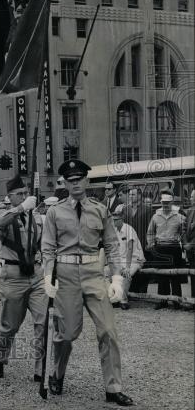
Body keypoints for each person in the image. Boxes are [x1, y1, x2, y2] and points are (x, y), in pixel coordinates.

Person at [41, 159, 133, 406]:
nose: (76, 184)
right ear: (65, 183)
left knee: (108, 331)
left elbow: (113, 245)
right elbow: (48, 248)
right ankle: (57, 373)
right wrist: (48, 276)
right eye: (70, 180)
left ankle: (113, 388)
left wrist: (116, 277)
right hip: (66, 275)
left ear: (87, 180)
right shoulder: (54, 212)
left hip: (94, 272)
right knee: (66, 333)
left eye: (79, 179)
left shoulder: (100, 210)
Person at [0, 175, 46, 381]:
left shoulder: (36, 216)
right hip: (13, 276)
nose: (24, 196)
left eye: (26, 193)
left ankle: (41, 370)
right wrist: (21, 208)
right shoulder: (3, 212)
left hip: (36, 275)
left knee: (43, 323)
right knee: (10, 325)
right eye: (19, 194)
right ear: (10, 196)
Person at [146, 191, 186, 310]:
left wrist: (183, 244)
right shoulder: (156, 216)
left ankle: (177, 301)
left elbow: (184, 232)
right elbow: (150, 232)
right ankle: (162, 301)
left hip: (174, 248)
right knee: (161, 275)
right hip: (160, 248)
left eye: (168, 203)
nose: (165, 205)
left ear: (172, 202)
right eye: (163, 203)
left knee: (175, 275)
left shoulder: (179, 216)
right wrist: (151, 244)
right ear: (161, 202)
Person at [111, 207, 145, 310]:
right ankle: (114, 298)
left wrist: (127, 267)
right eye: (113, 220)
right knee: (107, 272)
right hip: (121, 259)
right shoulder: (114, 231)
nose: (114, 222)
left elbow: (130, 249)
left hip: (135, 259)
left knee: (126, 274)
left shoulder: (128, 229)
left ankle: (123, 301)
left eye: (116, 220)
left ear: (122, 219)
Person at [122, 188, 154, 293]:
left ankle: (142, 291)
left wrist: (149, 242)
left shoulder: (147, 209)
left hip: (143, 242)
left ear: (139, 196)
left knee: (143, 268)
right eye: (130, 194)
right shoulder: (125, 209)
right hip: (129, 243)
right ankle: (131, 291)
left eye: (133, 194)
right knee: (130, 266)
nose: (131, 196)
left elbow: (151, 228)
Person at [183, 189, 195, 300]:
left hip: (192, 246)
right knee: (192, 274)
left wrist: (191, 244)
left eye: (192, 197)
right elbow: (184, 228)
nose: (190, 199)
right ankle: (193, 299)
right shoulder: (190, 211)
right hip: (190, 250)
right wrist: (185, 243)